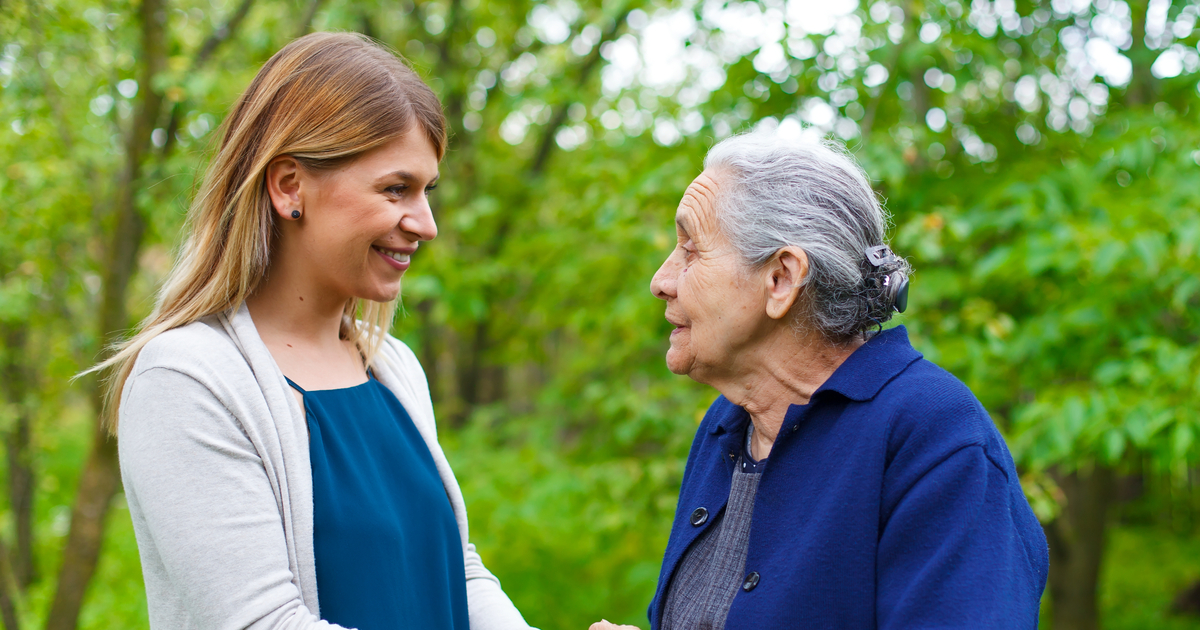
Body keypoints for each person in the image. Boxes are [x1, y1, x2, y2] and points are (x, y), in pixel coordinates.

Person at [97, 33, 532, 630]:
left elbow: (454, 573)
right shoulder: (187, 379)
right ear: (288, 186)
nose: (426, 224)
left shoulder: (394, 368)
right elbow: (260, 622)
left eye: (427, 191)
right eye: (395, 188)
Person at [592, 127, 1048, 630]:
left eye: (691, 250)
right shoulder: (727, 426)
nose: (661, 280)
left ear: (782, 278)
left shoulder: (935, 437)